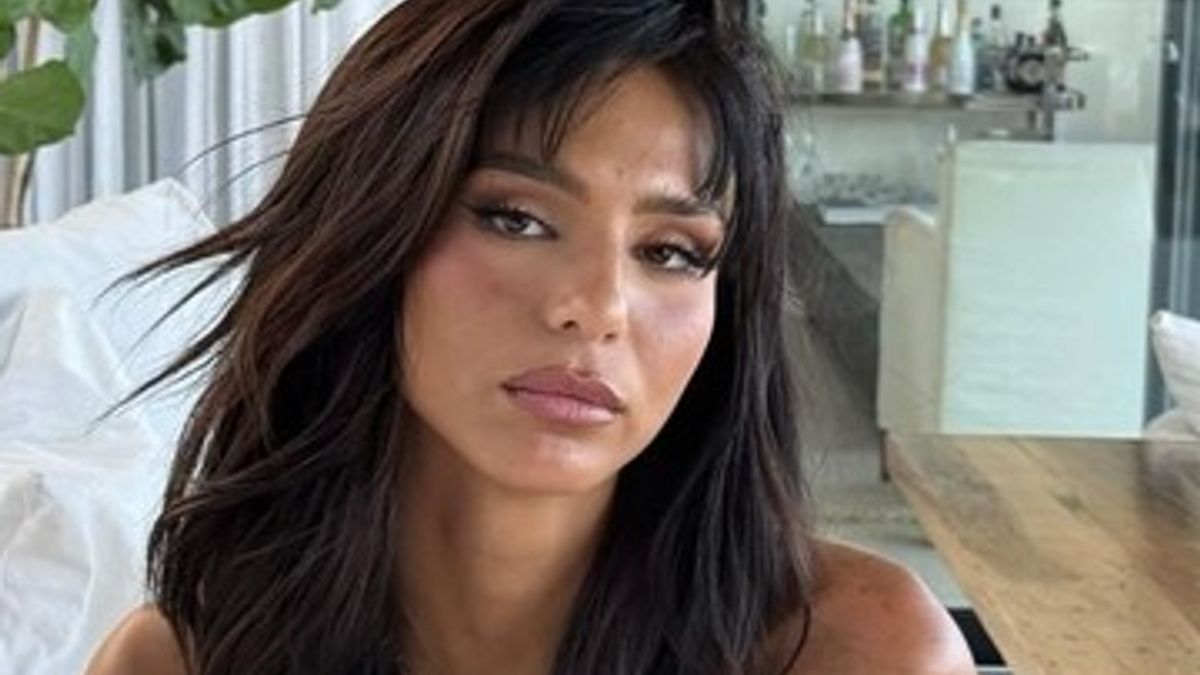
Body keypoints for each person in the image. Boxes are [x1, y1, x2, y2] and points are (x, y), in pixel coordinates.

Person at [85, 1, 973, 673]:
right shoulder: (182, 660)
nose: (598, 306)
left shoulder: (858, 650)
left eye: (670, 251)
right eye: (515, 218)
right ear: (372, 234)